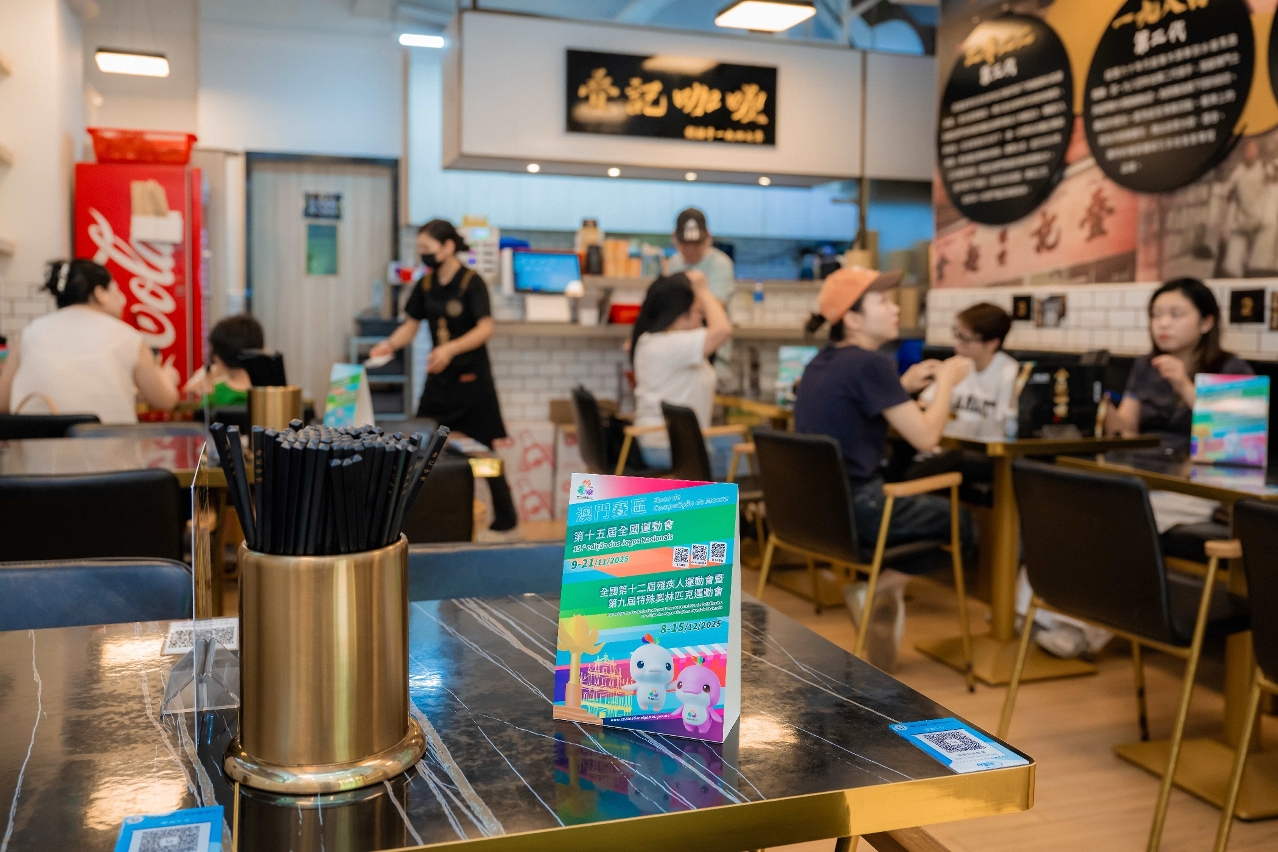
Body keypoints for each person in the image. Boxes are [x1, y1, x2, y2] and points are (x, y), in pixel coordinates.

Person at [793, 266, 974, 671]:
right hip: (864, 508)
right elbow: (926, 437)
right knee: (962, 524)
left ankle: (877, 589)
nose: (895, 309)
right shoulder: (870, 365)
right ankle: (881, 587)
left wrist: (902, 386)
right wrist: (946, 379)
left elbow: (855, 400)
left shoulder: (823, 362)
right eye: (884, 302)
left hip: (819, 513)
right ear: (853, 319)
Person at [369, 220, 519, 537]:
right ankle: (425, 515)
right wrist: (390, 345)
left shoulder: (472, 282)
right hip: (438, 382)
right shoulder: (425, 285)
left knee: (483, 451)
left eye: (427, 248)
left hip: (472, 382)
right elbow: (410, 325)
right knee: (423, 443)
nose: (422, 254)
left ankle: (506, 517)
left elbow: (485, 328)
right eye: (420, 249)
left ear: (448, 246)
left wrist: (451, 348)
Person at [0, 259, 179, 423]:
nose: (120, 299)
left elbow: (2, 402)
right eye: (116, 290)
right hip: (110, 447)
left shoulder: (29, 333)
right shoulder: (128, 337)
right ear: (100, 293)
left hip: (35, 449)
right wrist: (169, 377)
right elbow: (164, 401)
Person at [1107, 277, 1252, 449]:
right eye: (1156, 315)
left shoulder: (1232, 369)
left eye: (1176, 314)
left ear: (1206, 323)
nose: (1163, 324)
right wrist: (1101, 407)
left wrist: (1184, 386)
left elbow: (1241, 441)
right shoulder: (1145, 365)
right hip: (1144, 460)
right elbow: (1127, 431)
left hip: (1201, 462)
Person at [630, 270, 733, 474]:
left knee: (732, 442)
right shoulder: (670, 344)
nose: (702, 320)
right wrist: (702, 290)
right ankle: (738, 496)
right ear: (680, 314)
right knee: (748, 454)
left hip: (663, 443)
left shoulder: (652, 342)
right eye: (699, 313)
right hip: (669, 447)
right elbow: (722, 330)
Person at [183, 314, 264, 407]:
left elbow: (187, 395)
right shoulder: (270, 392)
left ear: (217, 358)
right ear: (261, 351)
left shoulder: (213, 395)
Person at [666, 208, 735, 304]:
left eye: (697, 243)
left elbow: (717, 306)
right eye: (685, 243)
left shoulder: (721, 263)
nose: (690, 249)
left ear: (708, 238)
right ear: (675, 239)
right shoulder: (674, 262)